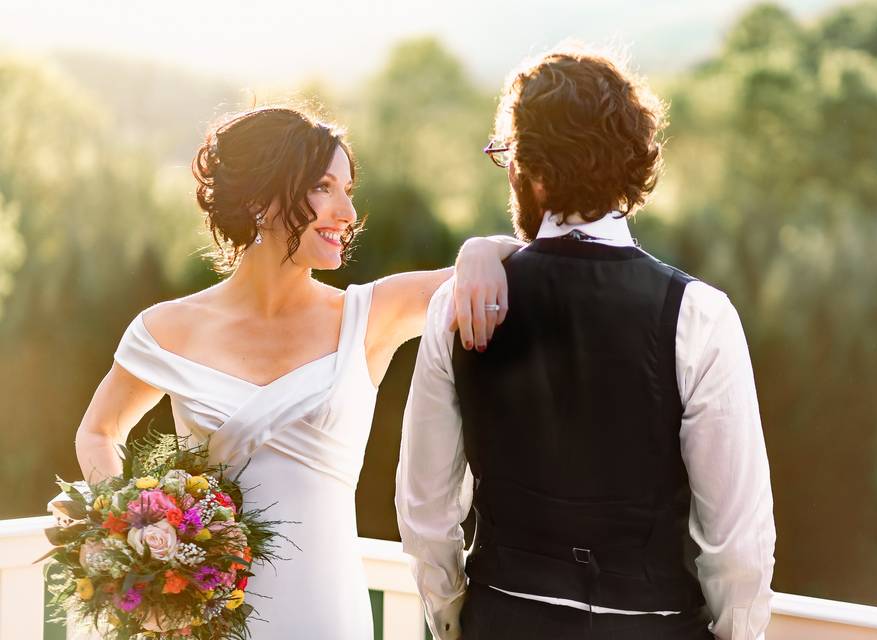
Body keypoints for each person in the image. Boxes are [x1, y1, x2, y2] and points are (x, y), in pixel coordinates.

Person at [74, 106, 520, 639]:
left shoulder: (367, 316)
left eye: (348, 189)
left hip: (327, 613)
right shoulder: (167, 328)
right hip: (207, 619)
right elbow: (98, 432)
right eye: (324, 187)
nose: (348, 211)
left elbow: (527, 263)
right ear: (262, 199)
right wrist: (142, 529)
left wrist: (482, 248)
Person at [396, 47, 776, 640]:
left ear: (528, 166)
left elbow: (426, 513)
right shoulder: (700, 316)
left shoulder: (457, 306)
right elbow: (737, 543)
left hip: (503, 620)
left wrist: (454, 622)